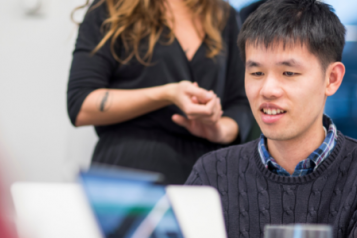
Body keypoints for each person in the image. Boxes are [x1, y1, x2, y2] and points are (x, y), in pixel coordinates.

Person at [185, 0, 357, 237]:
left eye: (289, 73)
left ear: (332, 79)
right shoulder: (212, 173)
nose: (267, 89)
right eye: (256, 73)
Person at [67, 0, 253, 184]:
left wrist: (219, 130)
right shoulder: (112, 7)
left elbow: (242, 104)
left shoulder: (224, 15)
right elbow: (81, 104)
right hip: (129, 169)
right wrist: (166, 94)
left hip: (206, 174)